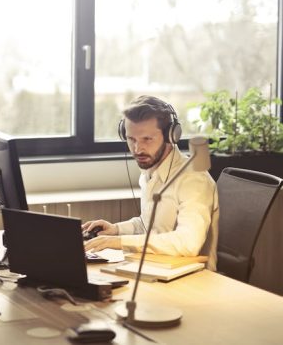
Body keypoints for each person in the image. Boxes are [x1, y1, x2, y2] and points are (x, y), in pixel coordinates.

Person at [83, 95, 219, 271]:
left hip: (192, 279)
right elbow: (149, 226)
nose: (138, 149)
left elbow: (188, 243)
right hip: (156, 268)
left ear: (171, 135)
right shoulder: (150, 172)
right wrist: (116, 230)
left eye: (147, 139)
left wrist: (119, 242)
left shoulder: (193, 179)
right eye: (131, 139)